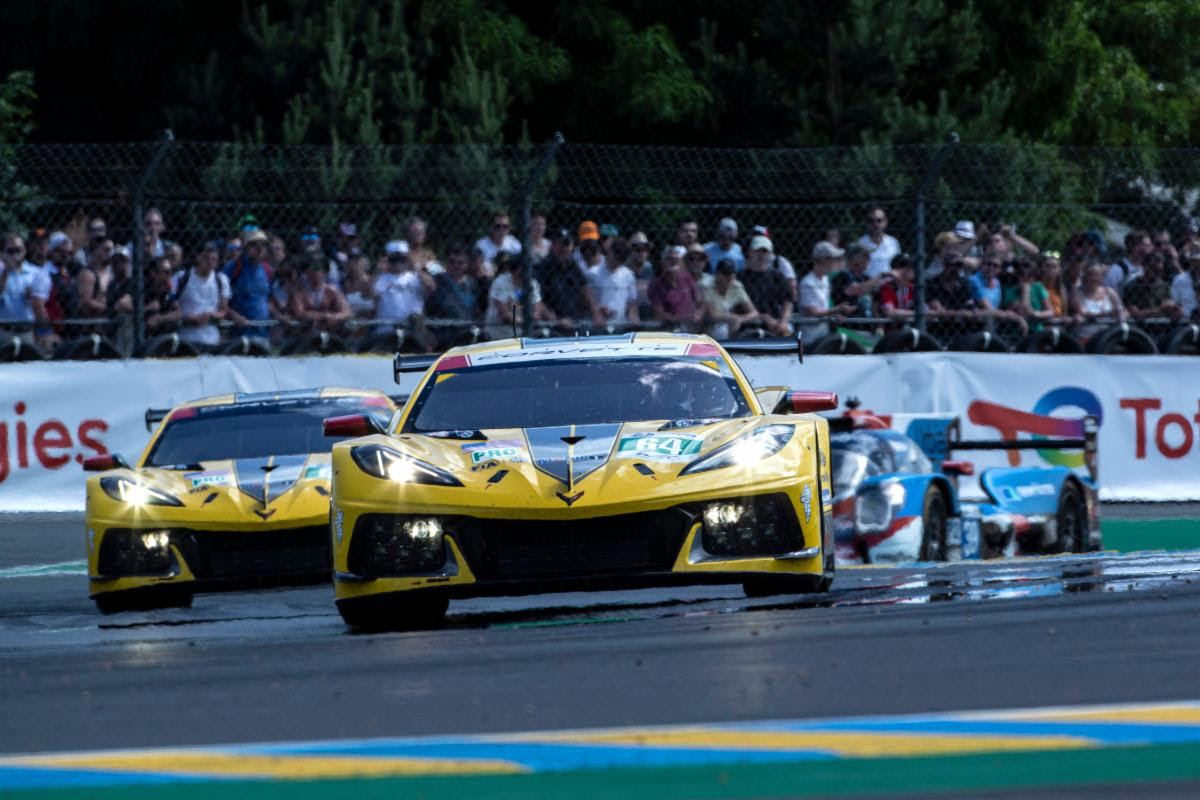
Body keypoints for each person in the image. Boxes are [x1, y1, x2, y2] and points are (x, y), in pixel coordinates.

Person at [175, 240, 240, 350]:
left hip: (212, 339)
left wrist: (211, 315)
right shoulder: (181, 277)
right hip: (185, 339)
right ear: (198, 258)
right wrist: (186, 317)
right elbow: (172, 305)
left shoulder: (221, 280)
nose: (210, 262)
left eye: (213, 259)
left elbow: (223, 310)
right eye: (206, 258)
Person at [536, 229, 603, 327]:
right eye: (558, 243)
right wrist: (553, 318)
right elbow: (537, 297)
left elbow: (585, 289)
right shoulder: (544, 267)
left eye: (566, 243)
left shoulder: (573, 266)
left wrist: (596, 313)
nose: (562, 247)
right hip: (551, 323)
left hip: (575, 320)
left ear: (572, 246)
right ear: (552, 245)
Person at [486, 249, 551, 339]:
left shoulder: (532, 283)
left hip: (523, 326)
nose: (525, 274)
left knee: (546, 332)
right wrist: (526, 320)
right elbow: (504, 314)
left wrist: (533, 316)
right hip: (500, 328)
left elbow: (537, 309)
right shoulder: (500, 282)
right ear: (513, 271)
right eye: (523, 270)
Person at [797, 241, 854, 343]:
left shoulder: (825, 279)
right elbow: (811, 313)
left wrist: (834, 316)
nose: (834, 262)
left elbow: (823, 310)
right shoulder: (807, 282)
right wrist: (837, 309)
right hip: (809, 340)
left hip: (823, 336)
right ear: (822, 260)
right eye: (832, 258)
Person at [222, 229, 273, 337]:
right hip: (239, 331)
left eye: (263, 245)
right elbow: (219, 300)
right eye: (254, 245)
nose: (259, 249)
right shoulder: (233, 267)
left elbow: (266, 299)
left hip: (262, 331)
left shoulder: (267, 269)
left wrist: (280, 316)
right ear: (245, 248)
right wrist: (233, 315)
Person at [374, 241, 433, 332]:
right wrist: (377, 271)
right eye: (394, 259)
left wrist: (415, 266)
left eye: (402, 259)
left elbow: (431, 288)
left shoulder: (415, 277)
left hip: (412, 330)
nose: (398, 262)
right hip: (386, 330)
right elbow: (368, 294)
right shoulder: (381, 279)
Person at [740, 237, 793, 336]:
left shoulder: (777, 276)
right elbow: (739, 306)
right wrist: (763, 318)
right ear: (750, 252)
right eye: (757, 251)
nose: (761, 254)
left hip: (775, 326)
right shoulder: (741, 276)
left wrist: (783, 321)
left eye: (765, 251)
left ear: (770, 254)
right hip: (748, 326)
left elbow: (788, 300)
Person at [292, 253, 352, 333]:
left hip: (331, 332)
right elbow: (299, 314)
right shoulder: (299, 292)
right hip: (304, 334)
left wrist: (334, 316)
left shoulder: (332, 290)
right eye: (311, 268)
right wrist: (323, 315)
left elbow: (347, 312)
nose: (316, 272)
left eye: (319, 268)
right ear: (306, 271)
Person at [587, 236, 639, 326]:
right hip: (597, 325)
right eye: (616, 256)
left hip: (621, 325)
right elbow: (586, 301)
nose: (617, 261)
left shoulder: (628, 275)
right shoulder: (592, 273)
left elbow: (632, 302)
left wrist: (632, 316)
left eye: (621, 259)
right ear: (610, 251)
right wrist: (600, 309)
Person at [702, 260, 758, 339]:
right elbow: (713, 314)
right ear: (717, 273)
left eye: (731, 274)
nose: (728, 277)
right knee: (721, 329)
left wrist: (740, 319)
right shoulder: (707, 285)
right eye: (725, 273)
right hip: (706, 322)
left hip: (728, 321)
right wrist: (731, 318)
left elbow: (754, 313)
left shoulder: (736, 287)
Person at [1073, 262, 1128, 341]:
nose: (1093, 278)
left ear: (1102, 277)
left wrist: (1122, 315)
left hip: (1107, 337)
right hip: (1086, 336)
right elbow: (1083, 312)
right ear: (1085, 276)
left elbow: (1122, 310)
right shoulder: (1078, 292)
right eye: (1090, 274)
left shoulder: (1109, 291)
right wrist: (1108, 314)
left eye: (1096, 275)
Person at [1122, 250, 1179, 325]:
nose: (1159, 273)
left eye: (1161, 270)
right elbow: (1135, 315)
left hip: (1162, 328)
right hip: (1140, 329)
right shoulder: (1132, 287)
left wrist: (1175, 310)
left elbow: (1169, 309)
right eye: (1155, 270)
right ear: (1144, 266)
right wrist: (1159, 310)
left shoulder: (1164, 286)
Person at [647, 255, 703, 331]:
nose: (673, 262)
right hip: (669, 326)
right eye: (670, 260)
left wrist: (698, 313)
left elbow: (700, 301)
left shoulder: (687, 278)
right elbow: (657, 313)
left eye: (676, 260)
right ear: (663, 264)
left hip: (691, 324)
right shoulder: (656, 285)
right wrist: (678, 319)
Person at [831, 241, 882, 318]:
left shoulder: (866, 277)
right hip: (848, 325)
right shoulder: (843, 275)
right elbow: (857, 289)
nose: (869, 258)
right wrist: (880, 276)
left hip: (869, 324)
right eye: (865, 256)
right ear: (855, 258)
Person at [856, 207, 901, 279]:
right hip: (868, 286)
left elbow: (899, 267)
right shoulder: (861, 243)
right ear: (867, 223)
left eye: (879, 220)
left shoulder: (893, 242)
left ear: (885, 222)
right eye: (871, 221)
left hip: (890, 286)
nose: (875, 224)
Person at [877, 253, 916, 322]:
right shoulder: (888, 286)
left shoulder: (913, 287)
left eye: (912, 267)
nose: (912, 269)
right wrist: (918, 313)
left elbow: (925, 309)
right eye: (907, 267)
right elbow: (890, 312)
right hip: (889, 328)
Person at [341, 249, 376, 319]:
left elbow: (376, 307)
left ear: (364, 262)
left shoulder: (372, 282)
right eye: (352, 260)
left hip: (371, 323)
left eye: (357, 260)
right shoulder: (346, 284)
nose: (355, 264)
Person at [1170, 247, 1200, 320]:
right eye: (1194, 261)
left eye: (1198, 261)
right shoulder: (1179, 279)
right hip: (1186, 319)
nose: (1197, 264)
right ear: (1190, 262)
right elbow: (1174, 302)